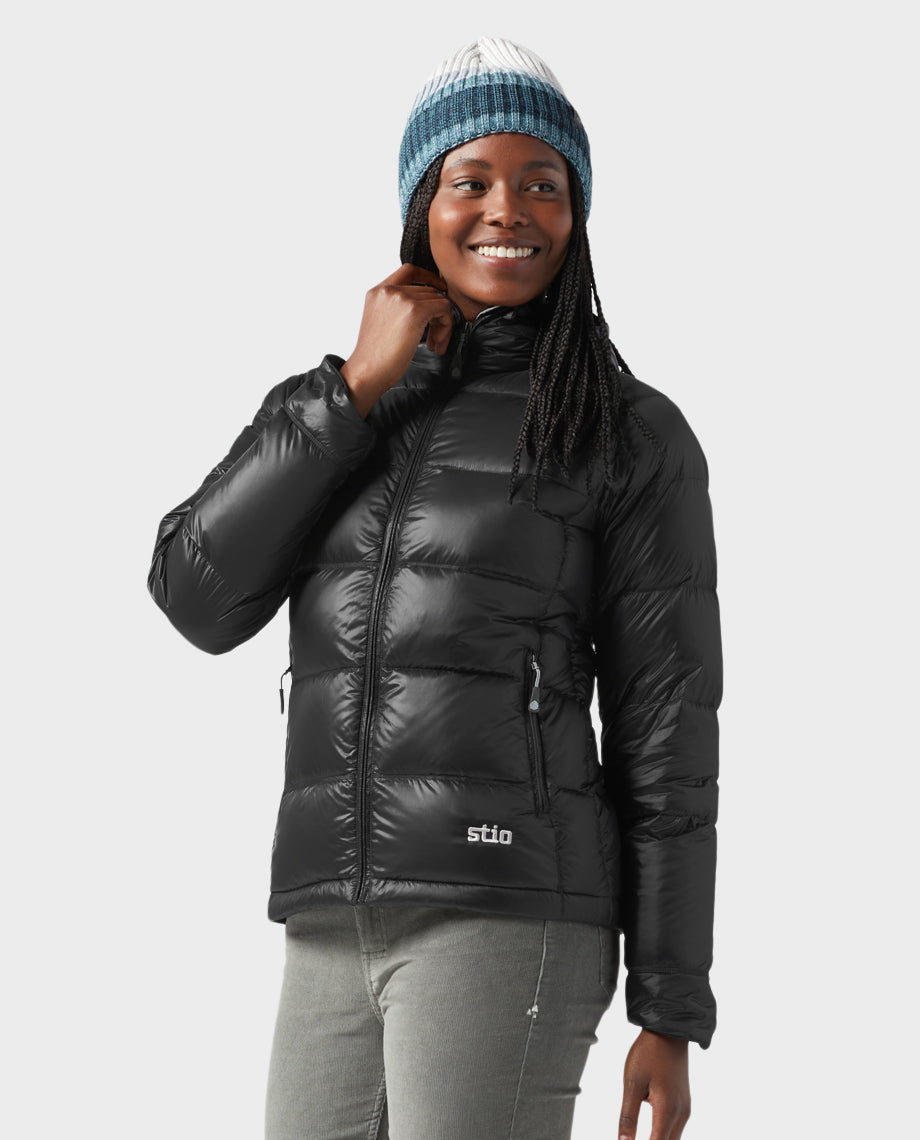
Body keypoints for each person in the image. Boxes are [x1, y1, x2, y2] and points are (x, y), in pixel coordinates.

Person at [147, 35, 722, 1140]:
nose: (507, 210)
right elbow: (194, 597)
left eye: (542, 184)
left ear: (577, 214)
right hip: (331, 916)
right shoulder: (343, 407)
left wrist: (669, 1007)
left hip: (508, 909)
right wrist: (354, 388)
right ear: (424, 205)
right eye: (471, 180)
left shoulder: (625, 432)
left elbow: (669, 732)